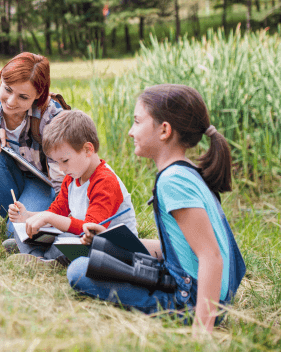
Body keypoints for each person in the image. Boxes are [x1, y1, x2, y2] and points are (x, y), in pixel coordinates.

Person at [67, 84, 246, 334]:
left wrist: (201, 333)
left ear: (164, 130)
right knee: (100, 254)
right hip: (200, 291)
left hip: (191, 302)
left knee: (79, 271)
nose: (130, 132)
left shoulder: (174, 181)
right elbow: (183, 249)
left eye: (137, 121)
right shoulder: (184, 172)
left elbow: (211, 257)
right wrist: (115, 242)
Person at [7, 110, 137, 262]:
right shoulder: (72, 177)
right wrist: (28, 215)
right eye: (57, 162)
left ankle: (39, 256)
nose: (61, 169)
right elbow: (57, 211)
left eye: (65, 161)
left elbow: (92, 229)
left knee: (65, 240)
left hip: (109, 247)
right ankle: (36, 252)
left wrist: (49, 217)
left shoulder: (105, 181)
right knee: (25, 228)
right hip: (82, 237)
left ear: (88, 149)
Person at [0, 52, 67, 243]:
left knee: (18, 235)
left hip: (44, 184)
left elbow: (63, 176)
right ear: (0, 79)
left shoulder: (51, 116)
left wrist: (62, 218)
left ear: (38, 95)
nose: (11, 101)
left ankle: (22, 228)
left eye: (23, 97)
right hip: (10, 176)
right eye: (8, 89)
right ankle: (20, 224)